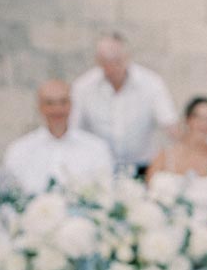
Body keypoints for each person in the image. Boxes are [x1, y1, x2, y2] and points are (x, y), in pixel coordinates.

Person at [69, 33, 178, 176]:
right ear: (97, 61)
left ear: (127, 58)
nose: (111, 67)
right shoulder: (83, 87)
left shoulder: (152, 83)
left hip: (142, 167)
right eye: (105, 61)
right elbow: (73, 129)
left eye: (116, 61)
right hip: (98, 169)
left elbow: (170, 125)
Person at [2, 80, 113, 195]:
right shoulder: (19, 150)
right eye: (50, 103)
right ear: (39, 107)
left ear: (71, 105)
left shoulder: (96, 148)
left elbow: (105, 195)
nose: (57, 109)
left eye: (63, 102)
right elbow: (9, 198)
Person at [147, 96, 207, 184]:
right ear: (188, 119)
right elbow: (149, 190)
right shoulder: (165, 157)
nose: (205, 124)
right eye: (200, 118)